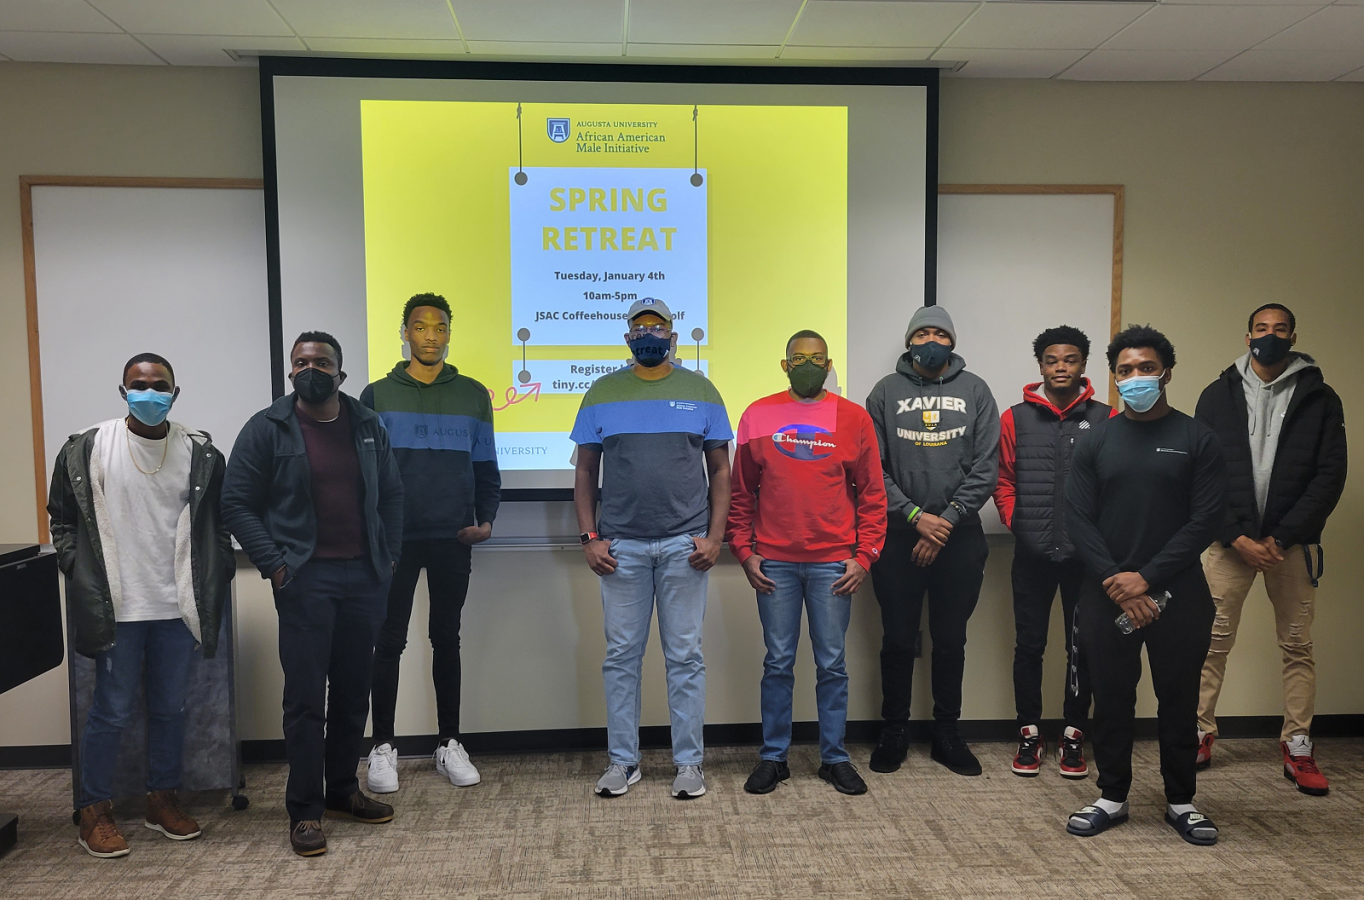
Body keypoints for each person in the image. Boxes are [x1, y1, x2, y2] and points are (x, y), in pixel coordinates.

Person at [222, 332, 404, 857]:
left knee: (352, 692)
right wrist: (276, 565)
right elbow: (236, 504)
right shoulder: (267, 428)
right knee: (306, 700)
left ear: (341, 373)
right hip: (304, 580)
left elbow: (391, 494)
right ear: (290, 372)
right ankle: (305, 809)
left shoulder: (367, 424)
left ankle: (344, 790)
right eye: (301, 361)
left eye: (321, 361)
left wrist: (387, 558)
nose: (310, 368)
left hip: (364, 579)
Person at [49, 353, 234, 858]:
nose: (148, 392)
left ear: (175, 393)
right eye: (139, 384)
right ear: (123, 390)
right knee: (109, 711)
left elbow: (217, 525)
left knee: (171, 709)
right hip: (117, 608)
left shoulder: (200, 453)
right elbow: (62, 521)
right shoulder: (87, 447)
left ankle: (162, 800)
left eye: (159, 385)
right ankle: (95, 811)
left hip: (177, 607)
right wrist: (76, 567)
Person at [1064, 325, 1226, 845]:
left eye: (1146, 368)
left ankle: (1181, 800)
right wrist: (1118, 582)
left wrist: (1147, 580)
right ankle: (1112, 796)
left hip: (1177, 591)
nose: (1136, 377)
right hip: (1105, 587)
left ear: (1166, 373)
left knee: (1178, 698)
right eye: (1126, 371)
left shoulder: (1196, 438)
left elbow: (1204, 521)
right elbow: (1078, 519)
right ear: (1114, 378)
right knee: (1111, 696)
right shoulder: (1097, 439)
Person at [571, 298, 732, 800]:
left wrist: (715, 536)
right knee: (621, 657)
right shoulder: (602, 392)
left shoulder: (701, 390)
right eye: (639, 328)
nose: (648, 334)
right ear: (627, 338)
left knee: (685, 656)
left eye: (656, 326)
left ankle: (689, 764)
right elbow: (583, 472)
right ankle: (623, 761)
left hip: (686, 545)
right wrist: (590, 538)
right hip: (622, 549)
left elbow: (722, 471)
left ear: (672, 334)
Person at [1193, 303, 1347, 795]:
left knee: (1298, 646)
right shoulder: (1216, 395)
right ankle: (1198, 732)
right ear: (1247, 336)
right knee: (1210, 642)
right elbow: (1201, 475)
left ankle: (1297, 745)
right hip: (1228, 542)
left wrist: (1279, 538)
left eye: (1280, 329)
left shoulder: (1321, 397)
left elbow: (1330, 475)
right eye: (1262, 329)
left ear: (1294, 336)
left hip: (1291, 546)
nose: (1270, 336)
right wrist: (1236, 535)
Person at [727, 330, 887, 796]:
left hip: (834, 564)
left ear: (830, 363)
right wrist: (743, 550)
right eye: (800, 358)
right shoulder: (758, 414)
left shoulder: (853, 418)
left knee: (832, 665)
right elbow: (741, 493)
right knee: (777, 662)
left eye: (817, 358)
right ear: (785, 365)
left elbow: (873, 495)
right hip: (773, 563)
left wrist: (865, 557)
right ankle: (773, 758)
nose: (809, 365)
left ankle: (834, 758)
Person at [362, 293, 501, 793]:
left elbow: (485, 464)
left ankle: (449, 743)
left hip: (452, 535)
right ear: (404, 333)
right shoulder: (376, 395)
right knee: (389, 641)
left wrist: (487, 518)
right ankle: (383, 748)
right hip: (394, 541)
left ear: (449, 333)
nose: (431, 336)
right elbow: (364, 474)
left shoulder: (472, 394)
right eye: (420, 327)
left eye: (440, 327)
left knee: (447, 638)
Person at [864, 305, 1000, 777]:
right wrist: (916, 516)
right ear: (908, 342)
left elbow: (987, 465)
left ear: (952, 342)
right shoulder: (884, 392)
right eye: (922, 333)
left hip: (959, 538)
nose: (931, 340)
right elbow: (872, 468)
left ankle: (947, 733)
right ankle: (894, 731)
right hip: (898, 537)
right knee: (898, 639)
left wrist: (945, 522)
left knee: (950, 640)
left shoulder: (976, 390)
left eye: (939, 333)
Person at [995, 326, 1111, 778]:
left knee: (1082, 649)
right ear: (1040, 365)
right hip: (1033, 556)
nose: (1060, 367)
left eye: (1070, 359)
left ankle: (1073, 735)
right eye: (1051, 360)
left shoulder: (1106, 419)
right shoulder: (1015, 418)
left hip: (1086, 561)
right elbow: (1003, 480)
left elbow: (1113, 486)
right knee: (1029, 647)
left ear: (1083, 364)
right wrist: (1017, 521)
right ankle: (1029, 733)